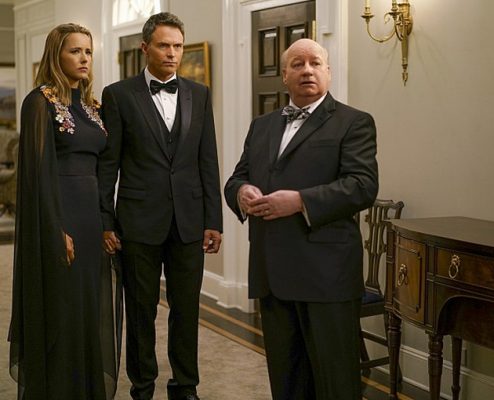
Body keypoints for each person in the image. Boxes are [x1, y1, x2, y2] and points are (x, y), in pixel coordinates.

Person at [224, 38, 379, 400]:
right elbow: (237, 177)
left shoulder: (354, 122)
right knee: (287, 379)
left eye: (315, 63)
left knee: (335, 382)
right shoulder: (261, 125)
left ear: (328, 72)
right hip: (271, 271)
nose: (307, 70)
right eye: (297, 64)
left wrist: (299, 201)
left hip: (326, 275)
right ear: (284, 75)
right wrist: (241, 192)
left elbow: (362, 186)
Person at [98, 11, 223, 400]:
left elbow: (207, 160)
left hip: (189, 222)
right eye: (164, 45)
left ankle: (185, 386)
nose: (172, 53)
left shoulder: (199, 94)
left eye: (178, 46)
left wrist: (214, 219)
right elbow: (108, 166)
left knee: (187, 311)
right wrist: (105, 221)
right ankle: (142, 386)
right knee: (141, 313)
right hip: (137, 222)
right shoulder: (118, 95)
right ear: (145, 47)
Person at [9, 23, 119, 399]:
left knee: (87, 308)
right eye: (75, 51)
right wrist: (55, 228)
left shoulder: (91, 107)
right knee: (62, 309)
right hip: (59, 216)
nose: (84, 58)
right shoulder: (38, 102)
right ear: (56, 55)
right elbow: (37, 173)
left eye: (88, 51)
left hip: (90, 220)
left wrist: (105, 222)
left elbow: (104, 169)